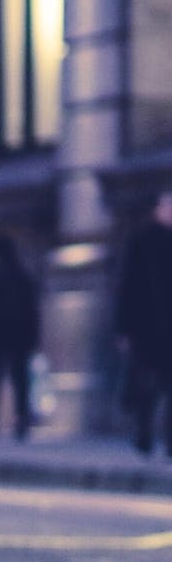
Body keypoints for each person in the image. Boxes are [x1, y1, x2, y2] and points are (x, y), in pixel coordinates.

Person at [113, 186, 172, 456]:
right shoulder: (141, 241)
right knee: (147, 386)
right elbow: (128, 286)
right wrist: (123, 328)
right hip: (147, 328)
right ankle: (144, 433)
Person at [0, 233, 41, 442]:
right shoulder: (23, 275)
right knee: (20, 378)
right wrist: (33, 337)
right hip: (19, 335)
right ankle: (21, 417)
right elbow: (32, 310)